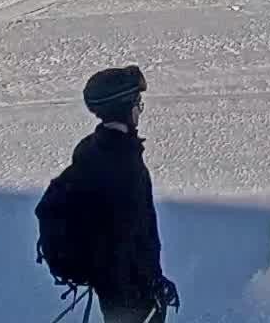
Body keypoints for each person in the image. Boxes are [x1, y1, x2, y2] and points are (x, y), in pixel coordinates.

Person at [37, 65, 179, 322]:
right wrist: (154, 282)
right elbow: (134, 235)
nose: (140, 108)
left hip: (109, 284)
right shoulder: (124, 165)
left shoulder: (91, 149)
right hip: (130, 290)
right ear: (126, 108)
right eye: (137, 101)